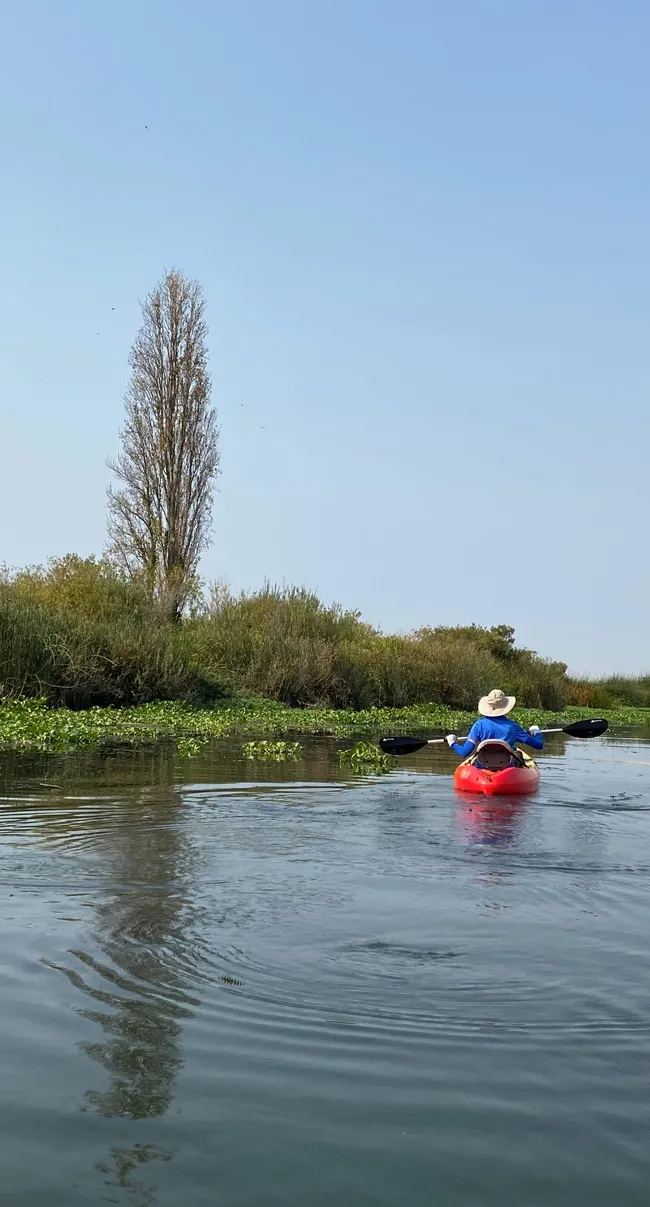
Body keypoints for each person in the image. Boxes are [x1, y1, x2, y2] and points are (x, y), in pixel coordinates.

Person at [445, 689, 543, 764]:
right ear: (505, 707)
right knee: (519, 756)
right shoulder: (513, 727)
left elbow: (464, 752)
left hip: (484, 765)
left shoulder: (478, 726)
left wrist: (452, 743)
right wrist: (536, 731)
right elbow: (538, 745)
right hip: (507, 765)